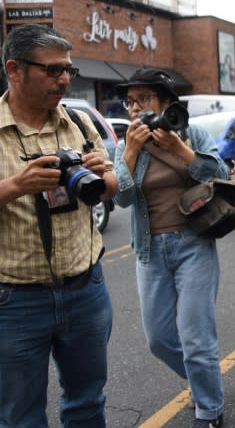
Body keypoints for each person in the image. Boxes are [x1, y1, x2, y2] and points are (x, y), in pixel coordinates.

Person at [0, 24, 117, 427]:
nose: (64, 79)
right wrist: (17, 185)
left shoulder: (80, 125)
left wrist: (102, 174)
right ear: (15, 70)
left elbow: (112, 186)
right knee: (20, 414)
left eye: (68, 70)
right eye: (52, 70)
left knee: (87, 403)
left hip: (86, 289)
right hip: (14, 301)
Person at [113, 68, 228, 428]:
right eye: (130, 101)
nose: (135, 108)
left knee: (196, 338)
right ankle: (202, 380)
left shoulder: (191, 133)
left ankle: (209, 409)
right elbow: (122, 197)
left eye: (143, 99)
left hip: (193, 243)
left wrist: (179, 149)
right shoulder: (125, 144)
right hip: (150, 251)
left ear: (166, 103)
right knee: (159, 339)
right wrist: (130, 152)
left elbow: (219, 171)